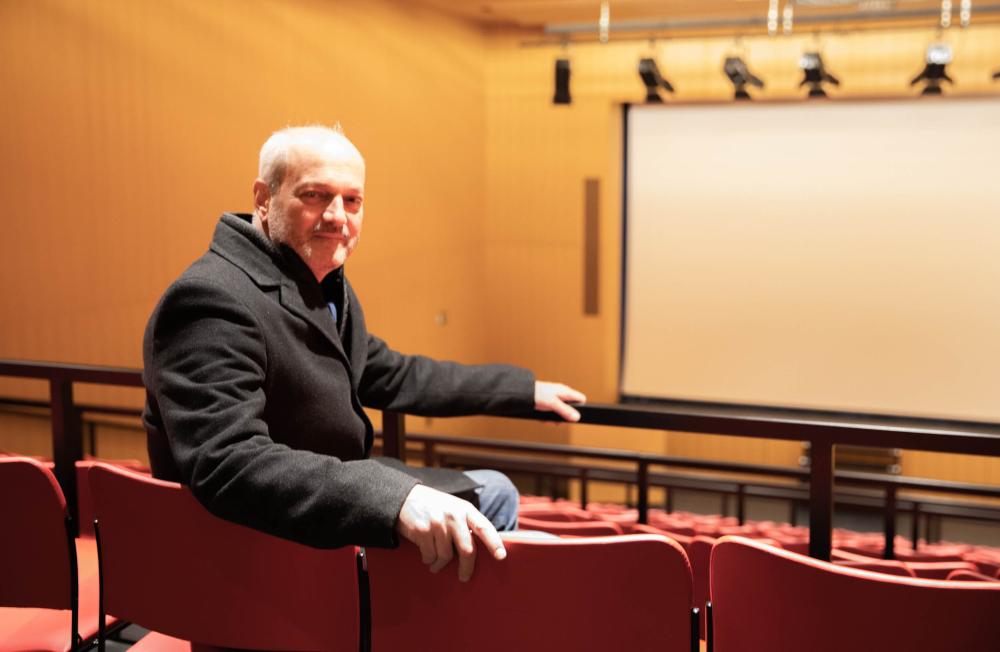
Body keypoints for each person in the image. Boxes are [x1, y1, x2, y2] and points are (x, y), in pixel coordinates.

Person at [142, 124, 585, 582]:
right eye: (315, 196)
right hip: (262, 551)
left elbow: (392, 373)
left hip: (324, 501)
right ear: (263, 198)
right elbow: (229, 463)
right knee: (491, 500)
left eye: (352, 200)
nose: (337, 216)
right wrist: (394, 499)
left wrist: (521, 389)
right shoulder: (211, 300)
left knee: (495, 492)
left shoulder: (317, 284)